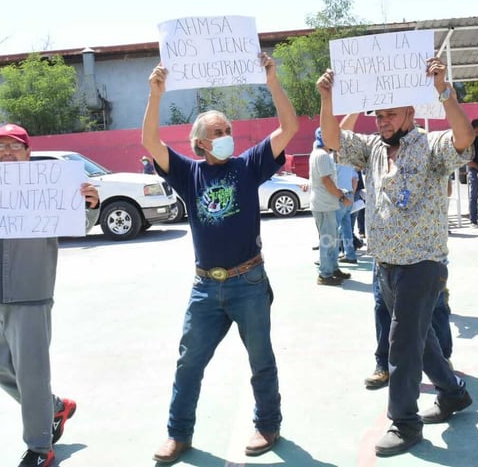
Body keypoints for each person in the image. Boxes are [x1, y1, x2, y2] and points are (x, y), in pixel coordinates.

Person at [143, 52, 298, 464]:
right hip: (205, 288)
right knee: (188, 363)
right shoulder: (187, 173)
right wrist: (155, 96)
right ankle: (179, 435)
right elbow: (151, 143)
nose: (227, 134)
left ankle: (268, 424)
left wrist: (272, 81)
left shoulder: (248, 165)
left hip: (249, 282)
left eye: (228, 128)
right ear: (200, 143)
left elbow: (290, 127)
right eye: (218, 131)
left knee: (261, 360)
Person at [318, 56, 475, 457]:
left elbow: (463, 140)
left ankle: (404, 422)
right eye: (378, 114)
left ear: (410, 111)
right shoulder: (371, 148)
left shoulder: (431, 145)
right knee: (419, 343)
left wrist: (444, 92)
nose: (381, 120)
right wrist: (328, 96)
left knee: (401, 346)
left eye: (389, 113)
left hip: (422, 263)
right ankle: (453, 393)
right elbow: (332, 140)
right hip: (384, 264)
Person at [0, 124, 100, 467]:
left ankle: (39, 447)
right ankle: (55, 406)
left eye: (15, 147)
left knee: (31, 375)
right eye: (0, 147)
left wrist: (91, 205)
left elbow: (82, 223)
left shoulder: (47, 187)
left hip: (31, 293)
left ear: (28, 154)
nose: (7, 153)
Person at [310, 127, 353, 285]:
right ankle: (325, 274)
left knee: (332, 240)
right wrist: (342, 197)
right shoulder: (322, 156)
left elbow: (327, 181)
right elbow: (326, 181)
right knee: (328, 241)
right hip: (324, 205)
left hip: (326, 204)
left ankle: (332, 268)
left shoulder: (321, 154)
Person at [335, 154, 359, 264]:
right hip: (349, 194)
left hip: (338, 195)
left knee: (334, 228)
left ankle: (331, 257)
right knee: (346, 227)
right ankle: (350, 254)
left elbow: (328, 180)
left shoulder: (331, 159)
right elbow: (355, 179)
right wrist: (351, 196)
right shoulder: (349, 160)